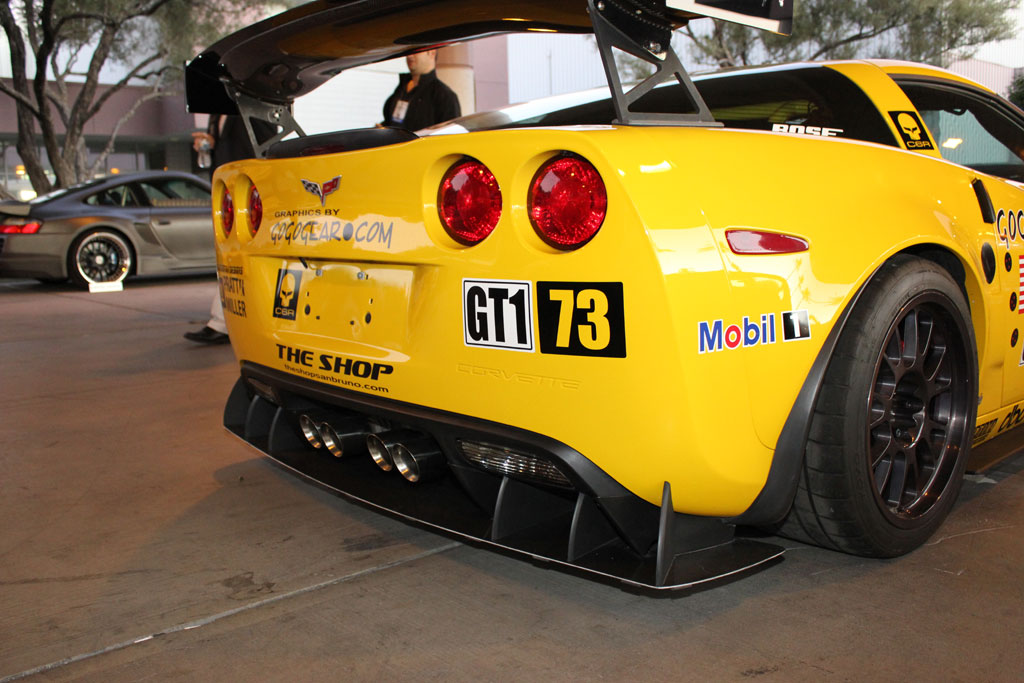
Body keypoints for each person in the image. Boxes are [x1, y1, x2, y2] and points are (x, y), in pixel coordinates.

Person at [185, 114, 274, 345]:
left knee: (240, 258)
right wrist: (209, 147)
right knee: (230, 258)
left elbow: (267, 141)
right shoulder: (217, 113)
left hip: (249, 189)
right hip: (228, 189)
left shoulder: (252, 102)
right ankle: (222, 322)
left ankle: (223, 323)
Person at [382, 49, 461, 131]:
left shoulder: (445, 96)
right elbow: (393, 122)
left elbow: (450, 136)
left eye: (415, 51)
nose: (409, 56)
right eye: (408, 52)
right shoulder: (401, 89)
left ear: (431, 53)